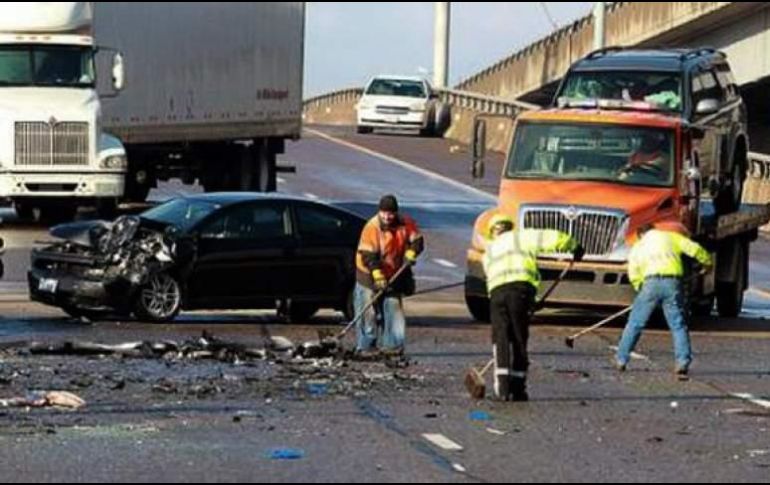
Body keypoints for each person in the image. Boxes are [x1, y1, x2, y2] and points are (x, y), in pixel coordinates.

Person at [483, 214, 583, 401]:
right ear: (509, 226)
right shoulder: (522, 236)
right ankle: (518, 387)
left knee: (501, 338)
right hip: (520, 291)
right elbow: (553, 238)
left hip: (497, 295)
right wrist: (574, 246)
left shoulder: (489, 251)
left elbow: (489, 275)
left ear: (492, 232)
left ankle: (502, 387)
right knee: (520, 338)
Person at [616, 224, 713, 377]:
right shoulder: (670, 237)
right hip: (672, 283)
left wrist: (639, 287)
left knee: (635, 323)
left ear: (641, 234)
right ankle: (682, 361)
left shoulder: (639, 246)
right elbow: (694, 248)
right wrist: (707, 262)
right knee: (677, 324)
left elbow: (633, 270)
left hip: (650, 283)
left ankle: (621, 359)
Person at [355, 195, 424, 356]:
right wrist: (377, 275)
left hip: (394, 272)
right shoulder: (371, 227)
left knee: (394, 308)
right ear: (379, 212)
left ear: (396, 213)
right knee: (368, 311)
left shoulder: (406, 224)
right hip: (368, 274)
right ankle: (366, 346)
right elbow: (368, 255)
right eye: (384, 213)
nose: (387, 217)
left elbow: (418, 241)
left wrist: (412, 251)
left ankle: (393, 346)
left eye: (390, 213)